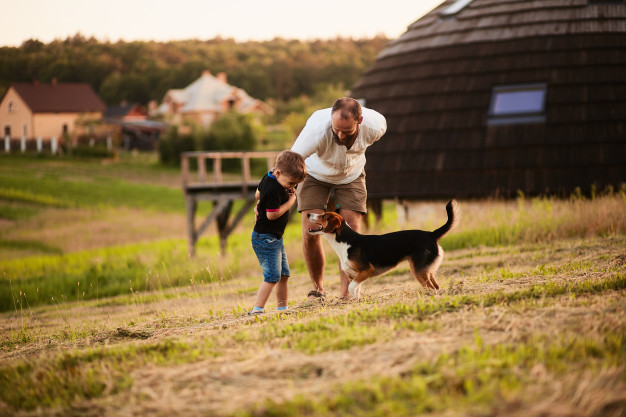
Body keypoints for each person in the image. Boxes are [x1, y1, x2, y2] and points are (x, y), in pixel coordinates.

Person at [291, 97, 387, 301]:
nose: (341, 135)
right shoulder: (316, 131)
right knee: (311, 230)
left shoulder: (376, 126)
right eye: (336, 130)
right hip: (315, 174)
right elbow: (288, 163)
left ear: (359, 121)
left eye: (347, 131)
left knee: (351, 227)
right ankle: (317, 290)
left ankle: (347, 293)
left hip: (351, 174)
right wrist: (264, 195)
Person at [249, 150, 307, 315]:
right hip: (265, 238)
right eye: (290, 183)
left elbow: (257, 194)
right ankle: (257, 309)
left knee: (284, 275)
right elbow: (272, 214)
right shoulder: (274, 188)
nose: (292, 187)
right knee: (273, 276)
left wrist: (259, 204)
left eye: (295, 185)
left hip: (274, 237)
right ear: (279, 173)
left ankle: (282, 308)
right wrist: (291, 201)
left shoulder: (269, 176)